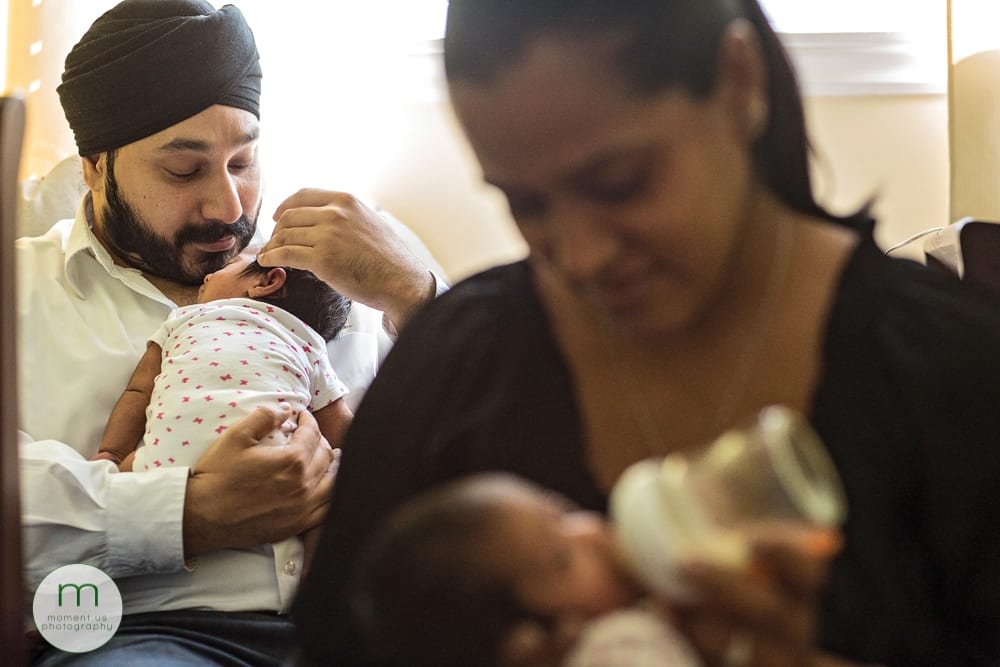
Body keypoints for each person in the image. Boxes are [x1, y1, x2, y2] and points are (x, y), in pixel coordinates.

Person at [294, 1, 1000, 666]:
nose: (578, 255)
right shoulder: (456, 367)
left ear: (739, 80)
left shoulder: (949, 372)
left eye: (620, 182)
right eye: (526, 203)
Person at [19, 1, 442, 664]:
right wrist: (184, 512)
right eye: (183, 170)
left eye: (243, 162)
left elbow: (496, 449)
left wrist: (421, 296)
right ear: (94, 167)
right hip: (141, 633)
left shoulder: (338, 271)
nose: (228, 207)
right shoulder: (20, 291)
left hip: (368, 625)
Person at [351, 471, 704, 667]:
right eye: (562, 558)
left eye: (565, 513)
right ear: (531, 649)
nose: (593, 531)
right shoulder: (618, 648)